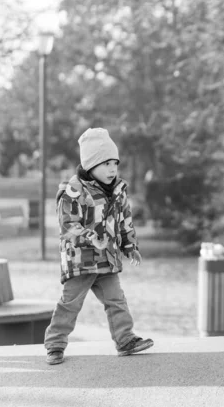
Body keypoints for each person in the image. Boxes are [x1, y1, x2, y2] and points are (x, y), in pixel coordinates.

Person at [44, 128, 153, 365]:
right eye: (105, 163)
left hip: (107, 259)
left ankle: (125, 339)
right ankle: (55, 344)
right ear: (90, 164)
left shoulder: (118, 191)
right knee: (70, 304)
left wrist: (129, 245)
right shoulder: (74, 191)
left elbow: (125, 221)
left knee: (116, 299)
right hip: (80, 260)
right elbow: (67, 225)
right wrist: (89, 237)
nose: (112, 168)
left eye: (115, 162)